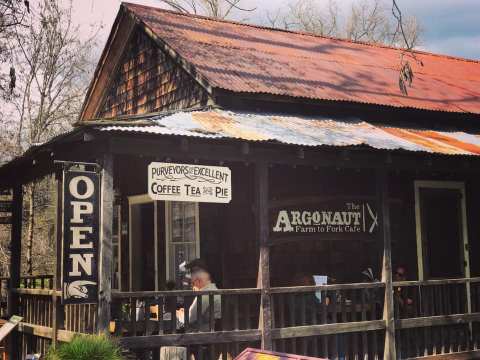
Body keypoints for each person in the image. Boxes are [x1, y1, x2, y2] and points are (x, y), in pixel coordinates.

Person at [177, 261, 221, 332]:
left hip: (201, 333)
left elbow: (188, 319)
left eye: (193, 283)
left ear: (199, 281)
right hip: (207, 329)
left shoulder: (204, 295)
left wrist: (179, 314)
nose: (192, 286)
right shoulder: (213, 289)